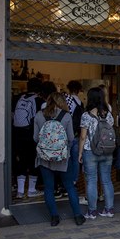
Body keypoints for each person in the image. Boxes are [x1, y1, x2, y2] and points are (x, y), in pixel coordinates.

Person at [33, 92, 85, 226]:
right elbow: (71, 138)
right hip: (63, 159)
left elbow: (35, 138)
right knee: (70, 187)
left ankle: (54, 217)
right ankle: (78, 216)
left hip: (44, 159)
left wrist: (48, 146)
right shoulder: (66, 116)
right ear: (62, 102)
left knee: (49, 188)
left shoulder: (39, 115)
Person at [78, 87, 116, 220]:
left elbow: (83, 137)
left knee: (91, 181)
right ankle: (109, 209)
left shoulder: (86, 116)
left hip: (90, 151)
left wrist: (80, 153)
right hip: (107, 150)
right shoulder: (109, 114)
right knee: (106, 180)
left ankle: (92, 211)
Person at [12, 77, 45, 199]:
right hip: (31, 135)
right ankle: (31, 189)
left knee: (21, 161)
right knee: (33, 161)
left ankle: (20, 191)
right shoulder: (39, 101)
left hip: (17, 134)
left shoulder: (19, 98)